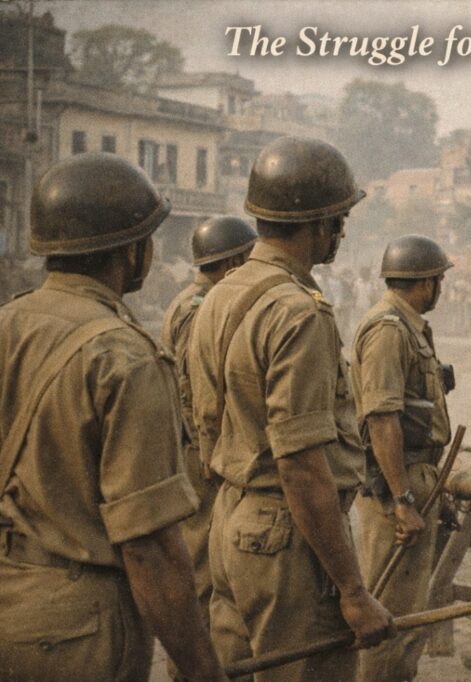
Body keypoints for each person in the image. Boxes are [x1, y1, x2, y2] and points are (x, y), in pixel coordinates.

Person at [0, 153, 225, 681]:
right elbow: (148, 546)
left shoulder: (7, 322)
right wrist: (199, 667)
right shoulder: (123, 355)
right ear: (132, 249)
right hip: (78, 632)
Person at [189, 136, 394, 679]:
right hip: (289, 537)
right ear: (320, 225)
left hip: (231, 521)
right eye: (339, 220)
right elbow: (301, 464)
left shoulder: (221, 296)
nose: (341, 233)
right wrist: (352, 590)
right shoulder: (298, 312)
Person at [350, 235, 453, 682]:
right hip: (397, 483)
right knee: (391, 617)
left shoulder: (406, 325)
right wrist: (403, 500)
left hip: (413, 475)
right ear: (427, 283)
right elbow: (382, 420)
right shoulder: (390, 329)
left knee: (407, 613)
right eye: (439, 280)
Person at [160, 214, 256, 669]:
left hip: (192, 450)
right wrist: (209, 455)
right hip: (199, 456)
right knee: (202, 572)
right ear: (234, 261)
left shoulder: (191, 301)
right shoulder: (201, 309)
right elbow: (192, 389)